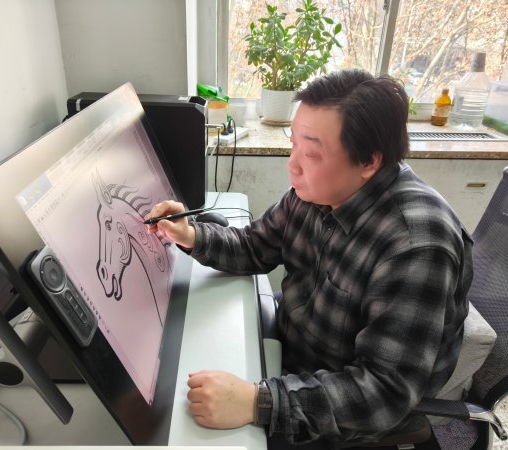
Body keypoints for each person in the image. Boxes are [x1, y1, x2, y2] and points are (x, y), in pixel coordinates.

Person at [145, 69, 473, 449]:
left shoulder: (416, 246)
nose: (293, 165)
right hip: (296, 357)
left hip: (344, 410)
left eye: (312, 153)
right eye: (294, 144)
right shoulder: (315, 193)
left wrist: (257, 402)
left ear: (369, 161)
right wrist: (190, 233)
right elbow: (254, 246)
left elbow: (384, 393)